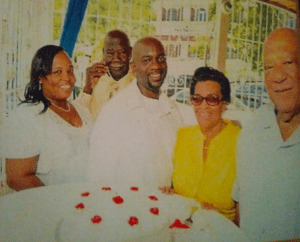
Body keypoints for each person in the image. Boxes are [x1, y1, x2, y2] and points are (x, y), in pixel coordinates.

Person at [88, 37, 197, 188]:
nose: (156, 66)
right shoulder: (115, 112)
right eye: (147, 60)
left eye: (161, 59)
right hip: (127, 207)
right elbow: (99, 175)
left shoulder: (173, 111)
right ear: (134, 68)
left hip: (165, 206)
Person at [232, 28, 300, 241]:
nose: (278, 76)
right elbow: (240, 204)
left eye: (288, 63)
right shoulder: (252, 130)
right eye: (269, 67)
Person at [4, 45, 94, 191]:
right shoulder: (27, 116)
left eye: (70, 71)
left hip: (87, 199)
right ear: (41, 77)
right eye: (57, 72)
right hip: (52, 207)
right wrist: (60, 205)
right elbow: (18, 178)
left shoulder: (81, 110)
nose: (67, 78)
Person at [160, 67, 240, 222]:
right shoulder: (182, 136)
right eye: (197, 99)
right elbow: (177, 189)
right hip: (180, 224)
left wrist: (218, 218)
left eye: (212, 99)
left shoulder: (240, 141)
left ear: (224, 103)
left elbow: (248, 209)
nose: (203, 106)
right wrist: (171, 194)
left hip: (221, 231)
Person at [76, 29, 135, 120]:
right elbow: (78, 117)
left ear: (130, 53)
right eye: (110, 52)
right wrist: (88, 88)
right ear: (103, 53)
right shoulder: (95, 79)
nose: (116, 58)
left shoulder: (140, 82)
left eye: (122, 52)